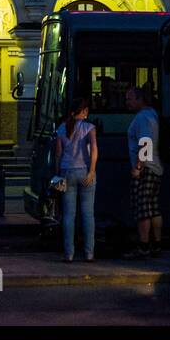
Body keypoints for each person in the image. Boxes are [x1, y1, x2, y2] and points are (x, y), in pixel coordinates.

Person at [52, 99, 97, 262]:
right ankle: (89, 253)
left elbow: (57, 155)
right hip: (85, 172)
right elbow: (94, 149)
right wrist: (92, 171)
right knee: (87, 214)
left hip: (66, 173)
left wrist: (57, 177)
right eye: (87, 111)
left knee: (68, 215)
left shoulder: (62, 128)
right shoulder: (89, 128)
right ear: (84, 111)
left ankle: (69, 254)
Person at [124, 87, 163, 258]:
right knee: (154, 208)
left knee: (143, 209)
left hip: (146, 169)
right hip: (156, 167)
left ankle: (144, 246)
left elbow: (145, 143)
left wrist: (138, 168)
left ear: (140, 99)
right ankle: (157, 244)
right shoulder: (153, 114)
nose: (127, 102)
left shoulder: (142, 118)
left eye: (130, 99)